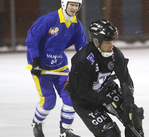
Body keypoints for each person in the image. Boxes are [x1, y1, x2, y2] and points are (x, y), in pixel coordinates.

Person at [64, 19, 144, 137]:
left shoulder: (115, 54)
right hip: (85, 101)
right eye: (107, 42)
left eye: (112, 41)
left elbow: (125, 81)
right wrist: (104, 101)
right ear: (96, 41)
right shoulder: (83, 60)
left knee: (133, 115)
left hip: (105, 90)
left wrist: (128, 105)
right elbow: (81, 91)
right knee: (111, 134)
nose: (111, 45)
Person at [25, 0, 87, 136]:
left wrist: (88, 61)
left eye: (77, 6)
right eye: (72, 5)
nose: (74, 8)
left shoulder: (76, 24)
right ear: (64, 4)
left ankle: (65, 131)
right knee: (48, 101)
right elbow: (32, 39)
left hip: (60, 66)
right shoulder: (48, 19)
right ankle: (36, 122)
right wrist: (35, 61)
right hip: (41, 67)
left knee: (71, 97)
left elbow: (82, 45)